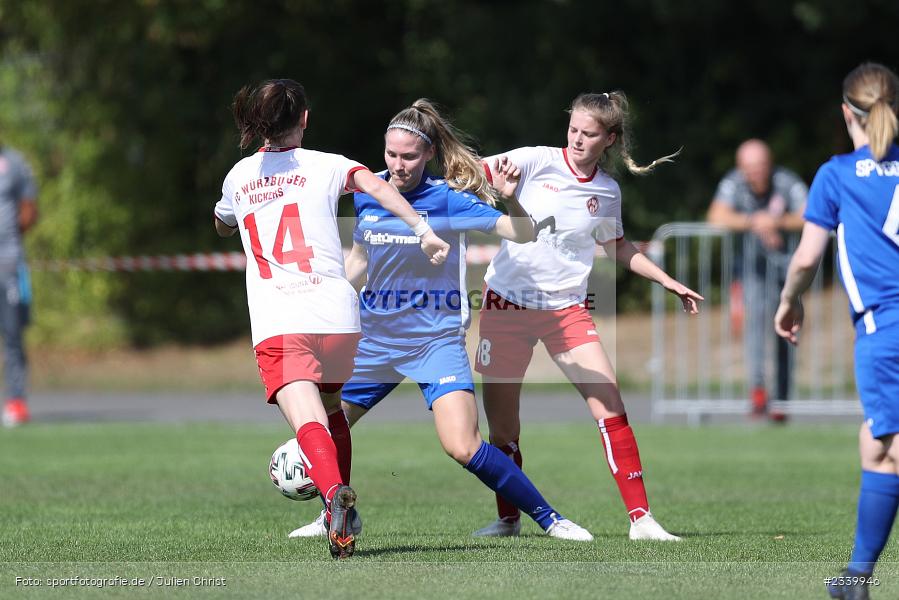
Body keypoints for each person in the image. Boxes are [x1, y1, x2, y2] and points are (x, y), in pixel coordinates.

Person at [290, 99, 593, 542]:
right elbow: (358, 260)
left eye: (409, 156)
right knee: (329, 423)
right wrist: (324, 299)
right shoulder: (369, 190)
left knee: (463, 445)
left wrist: (512, 201)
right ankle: (335, 514)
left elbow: (523, 234)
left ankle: (550, 519)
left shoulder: (447, 199)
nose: (398, 165)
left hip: (435, 342)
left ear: (428, 154)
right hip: (374, 340)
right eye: (392, 154)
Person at [213, 79, 450, 559]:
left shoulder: (238, 176)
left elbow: (222, 222)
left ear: (257, 123)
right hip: (339, 316)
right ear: (304, 119)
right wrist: (422, 229)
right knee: (333, 408)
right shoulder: (330, 165)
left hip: (282, 316)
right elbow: (379, 187)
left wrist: (230, 215)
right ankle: (337, 511)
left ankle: (333, 499)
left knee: (308, 423)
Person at [473, 91, 704, 541]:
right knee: (504, 427)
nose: (578, 139)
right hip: (506, 304)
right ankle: (509, 519)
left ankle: (642, 520)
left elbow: (616, 246)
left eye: (590, 133)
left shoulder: (606, 191)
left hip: (566, 310)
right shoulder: (535, 160)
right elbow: (473, 173)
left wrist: (667, 280)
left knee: (610, 402)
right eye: (574, 129)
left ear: (610, 139)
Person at [774, 62, 899, 600]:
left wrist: (788, 300)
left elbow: (805, 258)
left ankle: (858, 577)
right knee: (875, 440)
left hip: (886, 328)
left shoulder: (838, 174)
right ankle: (855, 576)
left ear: (845, 112)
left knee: (885, 447)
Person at [707, 139, 808, 420]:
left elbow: (810, 214)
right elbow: (716, 215)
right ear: (741, 168)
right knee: (754, 331)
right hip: (750, 273)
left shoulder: (786, 181)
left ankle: (782, 400)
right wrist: (754, 221)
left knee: (786, 332)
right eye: (749, 168)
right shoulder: (733, 182)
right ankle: (757, 391)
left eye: (760, 166)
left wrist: (776, 222)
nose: (755, 173)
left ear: (770, 163)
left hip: (789, 274)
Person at [1, 145, 38, 428]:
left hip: (9, 263)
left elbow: (29, 207)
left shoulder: (13, 163)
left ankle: (16, 401)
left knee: (13, 334)